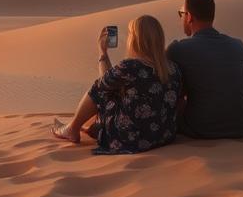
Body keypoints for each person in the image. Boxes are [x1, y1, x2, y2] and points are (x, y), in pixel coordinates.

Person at [51, 15, 182, 154]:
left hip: (131, 139)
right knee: (113, 93)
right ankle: (90, 127)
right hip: (162, 136)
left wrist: (102, 52)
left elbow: (103, 84)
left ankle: (72, 129)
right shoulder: (173, 69)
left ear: (136, 40)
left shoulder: (131, 66)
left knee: (98, 89)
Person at [167, 0, 243, 138]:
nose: (181, 18)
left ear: (189, 17)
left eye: (182, 14)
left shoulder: (178, 49)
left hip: (201, 128)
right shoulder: (238, 45)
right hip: (242, 125)